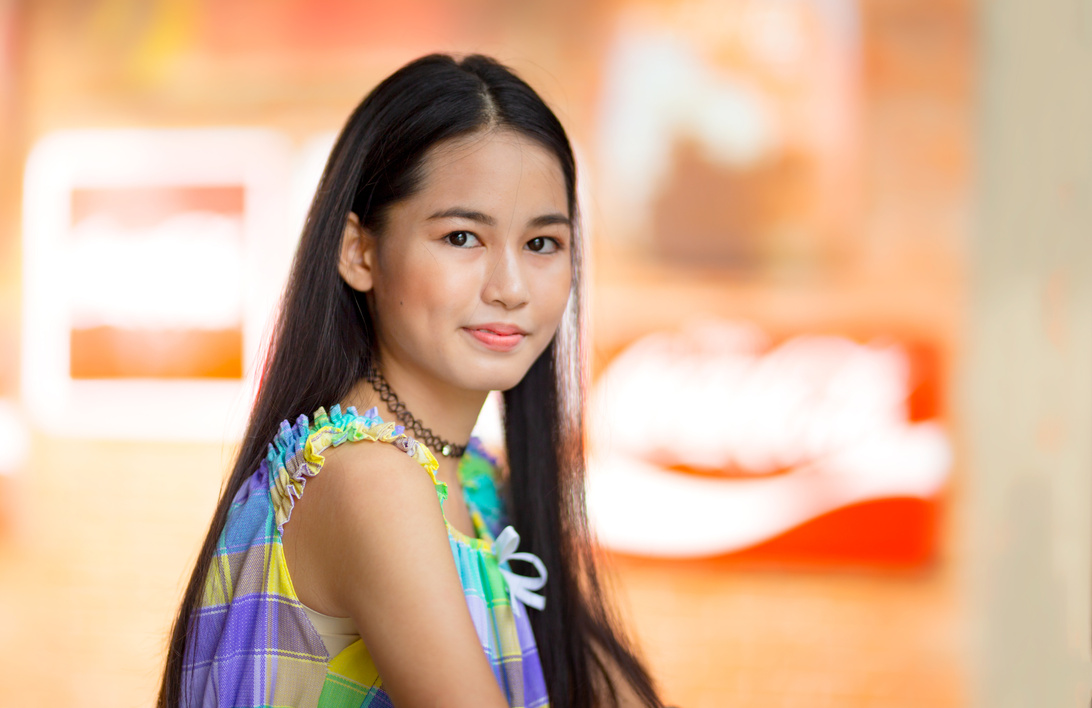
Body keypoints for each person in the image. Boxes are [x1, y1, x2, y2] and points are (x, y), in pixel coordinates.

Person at [157, 53, 666, 708]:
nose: (510, 288)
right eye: (462, 237)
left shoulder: (476, 483)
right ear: (359, 251)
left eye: (542, 243)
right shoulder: (371, 481)